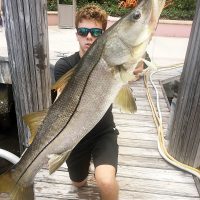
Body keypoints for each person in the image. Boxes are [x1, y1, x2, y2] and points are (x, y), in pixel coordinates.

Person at [54, 4, 119, 200]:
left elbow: (138, 60)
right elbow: (60, 98)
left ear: (103, 35)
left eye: (95, 32)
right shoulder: (64, 65)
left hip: (103, 131)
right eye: (83, 31)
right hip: (75, 136)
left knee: (105, 181)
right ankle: (90, 167)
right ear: (77, 35)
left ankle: (103, 169)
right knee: (78, 183)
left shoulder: (112, 63)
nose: (89, 36)